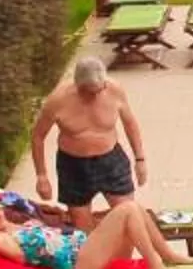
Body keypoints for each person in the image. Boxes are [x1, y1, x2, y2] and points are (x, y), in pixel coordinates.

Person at [0, 188, 188, 269]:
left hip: (86, 250)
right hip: (79, 264)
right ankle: (156, 267)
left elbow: (4, 198)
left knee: (133, 207)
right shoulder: (4, 241)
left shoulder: (11, 225)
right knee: (126, 210)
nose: (0, 212)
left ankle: (167, 255)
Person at [29, 58, 146, 209]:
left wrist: (140, 159)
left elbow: (130, 123)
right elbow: (37, 137)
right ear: (78, 86)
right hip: (73, 165)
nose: (95, 96)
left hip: (111, 160)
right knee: (83, 230)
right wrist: (41, 176)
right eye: (90, 92)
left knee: (128, 213)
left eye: (99, 90)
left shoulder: (114, 90)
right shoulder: (57, 100)